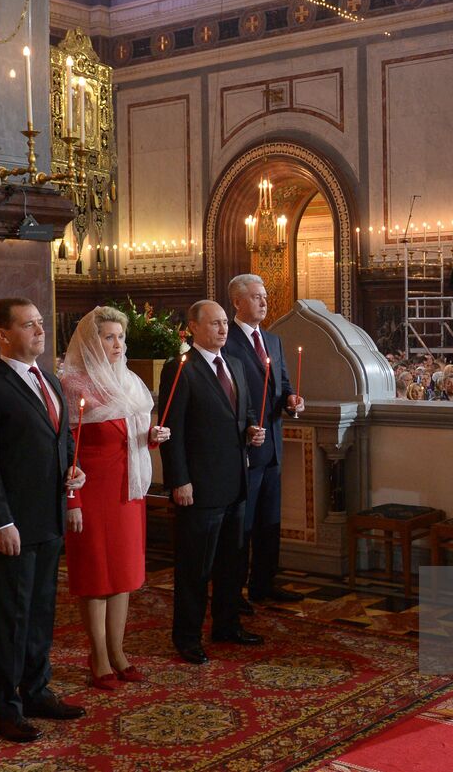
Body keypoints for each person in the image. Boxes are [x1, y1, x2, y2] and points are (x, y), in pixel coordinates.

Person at [0, 298, 87, 743]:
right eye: (29, 325)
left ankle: (36, 690)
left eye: (40, 323)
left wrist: (73, 471)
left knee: (41, 612)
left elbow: (62, 440)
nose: (40, 331)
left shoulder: (49, 380)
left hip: (50, 517)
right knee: (11, 616)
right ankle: (6, 709)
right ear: (3, 334)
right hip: (14, 524)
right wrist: (0, 522)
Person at [58, 307, 169, 689]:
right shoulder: (73, 385)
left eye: (121, 337)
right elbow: (64, 450)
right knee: (96, 577)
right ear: (92, 341)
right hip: (93, 492)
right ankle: (99, 656)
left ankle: (119, 652)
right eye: (108, 337)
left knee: (122, 576)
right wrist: (71, 500)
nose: (117, 344)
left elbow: (135, 432)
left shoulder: (132, 381)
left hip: (128, 492)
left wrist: (151, 437)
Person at [158, 300, 266, 665]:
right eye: (215, 324)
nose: (223, 329)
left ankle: (227, 625)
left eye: (224, 323)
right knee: (194, 568)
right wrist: (179, 480)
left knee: (232, 563)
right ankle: (187, 637)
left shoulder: (233, 363)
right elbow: (172, 429)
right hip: (199, 487)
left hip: (236, 483)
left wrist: (252, 429)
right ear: (193, 328)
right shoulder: (181, 368)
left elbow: (245, 411)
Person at [223, 274, 306, 608]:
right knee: (242, 527)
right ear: (238, 302)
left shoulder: (273, 340)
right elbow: (225, 395)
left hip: (273, 445)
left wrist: (292, 399)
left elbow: (283, 382)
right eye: (256, 297)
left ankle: (263, 583)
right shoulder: (226, 341)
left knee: (270, 523)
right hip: (244, 447)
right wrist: (244, 425)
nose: (264, 302)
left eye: (265, 296)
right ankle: (234, 591)